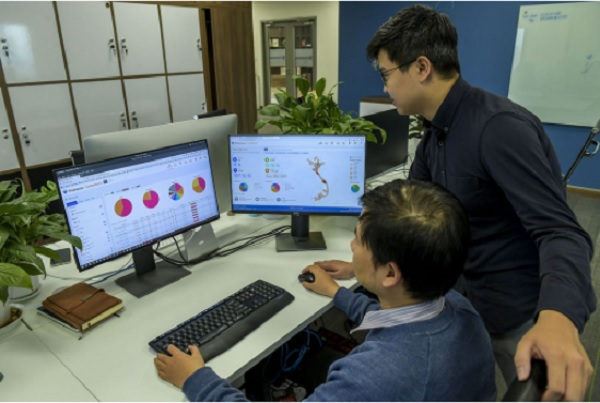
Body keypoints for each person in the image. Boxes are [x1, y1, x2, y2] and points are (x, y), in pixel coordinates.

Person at [317, 4, 596, 401]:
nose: (385, 88)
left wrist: (559, 317)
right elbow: (406, 221)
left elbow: (561, 232)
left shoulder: (500, 129)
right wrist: (367, 262)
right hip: (462, 302)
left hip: (516, 311)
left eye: (386, 74)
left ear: (421, 67)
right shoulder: (434, 136)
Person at [153, 179, 497, 401]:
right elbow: (392, 317)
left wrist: (196, 380)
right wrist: (337, 293)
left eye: (358, 239)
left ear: (390, 272)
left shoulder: (372, 377)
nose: (351, 246)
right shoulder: (457, 307)